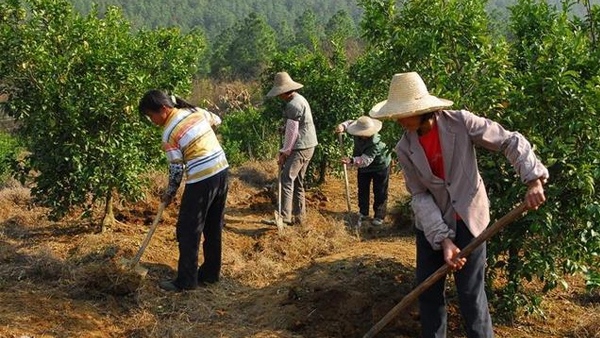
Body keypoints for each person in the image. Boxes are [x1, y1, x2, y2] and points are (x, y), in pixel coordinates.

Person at [369, 72, 548, 337]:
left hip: (469, 219)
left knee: (470, 295)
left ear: (422, 110)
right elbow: (419, 196)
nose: (399, 119)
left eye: (404, 112)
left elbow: (509, 140)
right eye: (397, 114)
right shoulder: (405, 148)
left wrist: (533, 180)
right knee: (428, 294)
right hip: (431, 225)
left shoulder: (461, 123)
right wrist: (443, 240)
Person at [138, 90, 229, 292]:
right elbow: (217, 120)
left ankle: (186, 281)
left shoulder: (169, 133)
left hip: (202, 178)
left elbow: (176, 169)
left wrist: (169, 193)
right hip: (222, 171)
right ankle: (211, 275)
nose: (152, 120)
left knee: (188, 230)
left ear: (163, 109)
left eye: (151, 115)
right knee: (213, 226)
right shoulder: (194, 111)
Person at [266, 72, 318, 226]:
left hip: (300, 147)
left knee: (287, 178)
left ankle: (284, 217)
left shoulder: (292, 105)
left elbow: (293, 132)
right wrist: (284, 128)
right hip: (309, 145)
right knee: (298, 182)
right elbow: (296, 125)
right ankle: (300, 218)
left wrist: (285, 152)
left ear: (283, 92)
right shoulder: (300, 99)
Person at [335, 116, 391, 226]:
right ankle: (363, 212)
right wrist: (342, 126)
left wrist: (351, 160)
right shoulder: (358, 129)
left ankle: (379, 215)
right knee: (363, 189)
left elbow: (365, 160)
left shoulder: (375, 143)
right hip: (363, 166)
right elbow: (350, 122)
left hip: (380, 165)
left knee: (380, 191)